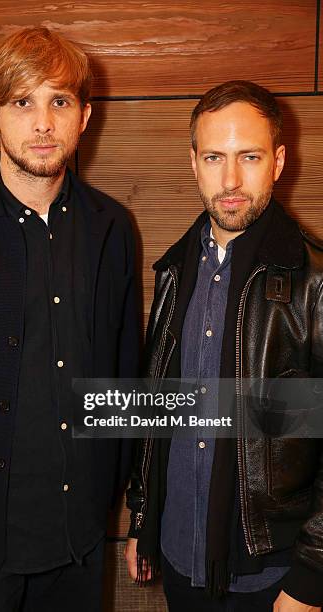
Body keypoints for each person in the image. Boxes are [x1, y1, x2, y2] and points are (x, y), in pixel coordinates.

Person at [0, 26, 138, 611]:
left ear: (84, 116)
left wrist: (132, 503)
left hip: (78, 544)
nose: (43, 123)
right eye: (22, 102)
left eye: (59, 101)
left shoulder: (111, 229)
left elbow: (123, 379)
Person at [125, 80, 323, 611]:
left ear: (279, 161)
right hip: (180, 556)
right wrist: (142, 519)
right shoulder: (173, 271)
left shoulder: (314, 282)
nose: (230, 179)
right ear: (193, 162)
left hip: (272, 576)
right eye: (214, 157)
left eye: (249, 157)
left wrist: (310, 578)